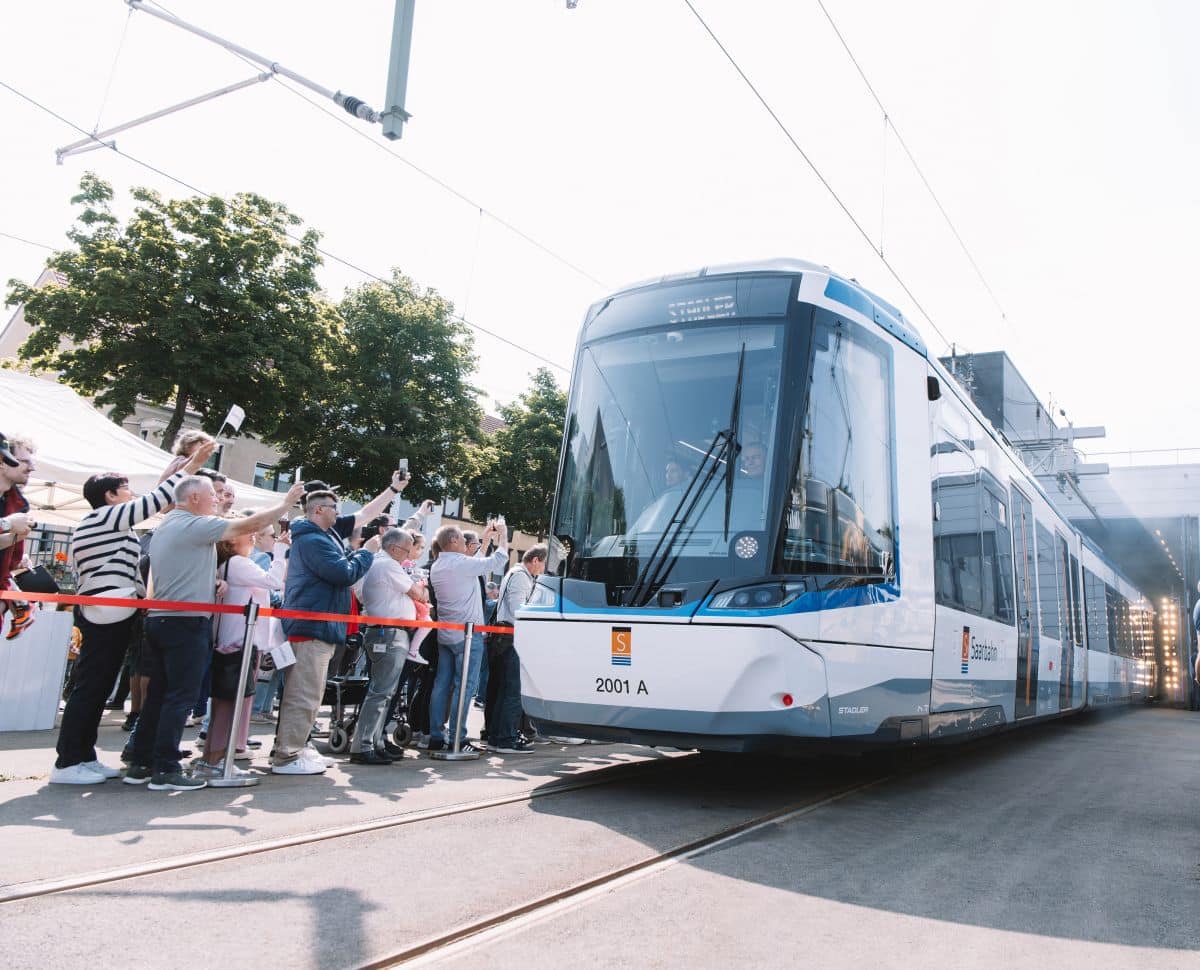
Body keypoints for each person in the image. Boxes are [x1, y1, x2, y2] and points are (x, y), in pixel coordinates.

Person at [50, 440, 216, 785]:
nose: (131, 493)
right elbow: (155, 501)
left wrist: (177, 470)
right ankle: (68, 761)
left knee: (97, 684)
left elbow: (155, 498)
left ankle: (82, 755)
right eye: (125, 488)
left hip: (114, 611)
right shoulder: (104, 517)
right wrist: (192, 465)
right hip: (105, 611)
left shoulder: (109, 521)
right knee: (91, 685)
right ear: (110, 495)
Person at [124, 476, 304, 791]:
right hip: (185, 621)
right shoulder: (194, 525)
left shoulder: (168, 525)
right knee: (180, 695)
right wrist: (286, 504)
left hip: (162, 619)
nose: (218, 500)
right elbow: (251, 523)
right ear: (194, 497)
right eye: (213, 495)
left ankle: (142, 761)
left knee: (160, 694)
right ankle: (165, 767)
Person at [273, 488, 382, 774]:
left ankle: (298, 747)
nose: (338, 511)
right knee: (303, 692)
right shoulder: (312, 540)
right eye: (334, 506)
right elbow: (342, 573)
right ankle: (287, 754)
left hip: (319, 623)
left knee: (311, 691)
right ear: (318, 509)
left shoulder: (319, 538)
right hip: (311, 624)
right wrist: (365, 554)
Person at [194, 529, 288, 778]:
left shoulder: (230, 564)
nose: (254, 537)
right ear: (233, 539)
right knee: (228, 704)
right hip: (239, 642)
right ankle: (215, 760)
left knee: (227, 704)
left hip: (237, 640)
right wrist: (280, 551)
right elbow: (274, 581)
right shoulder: (237, 563)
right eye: (249, 532)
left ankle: (214, 759)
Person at [428, 522, 508, 752]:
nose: (466, 546)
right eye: (463, 541)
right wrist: (503, 535)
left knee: (441, 685)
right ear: (453, 541)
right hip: (467, 636)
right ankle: (458, 738)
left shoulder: (439, 565)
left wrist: (483, 540)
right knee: (465, 687)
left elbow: (474, 564)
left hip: (446, 635)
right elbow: (497, 560)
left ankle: (436, 734)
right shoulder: (461, 564)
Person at [349, 527, 418, 764]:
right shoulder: (387, 564)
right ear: (394, 548)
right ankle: (364, 744)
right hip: (388, 633)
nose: (408, 555)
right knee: (381, 692)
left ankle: (373, 741)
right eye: (407, 550)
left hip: (384, 631)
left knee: (383, 692)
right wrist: (418, 591)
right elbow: (418, 593)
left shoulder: (378, 563)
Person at [487, 545, 548, 754]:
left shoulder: (514, 573)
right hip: (512, 637)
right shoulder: (521, 576)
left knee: (504, 690)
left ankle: (497, 737)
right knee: (513, 691)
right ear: (536, 560)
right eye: (543, 564)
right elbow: (518, 609)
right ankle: (506, 738)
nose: (542, 569)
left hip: (505, 636)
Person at [0, 431, 37, 641]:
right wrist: (7, 525)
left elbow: (10, 564)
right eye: (23, 461)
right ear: (3, 462)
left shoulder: (17, 504)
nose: (31, 468)